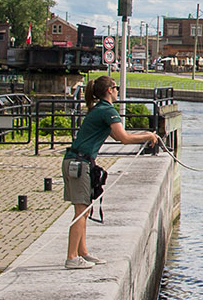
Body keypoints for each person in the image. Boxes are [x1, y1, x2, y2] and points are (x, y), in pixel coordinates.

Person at [64, 76, 160, 269]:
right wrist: (148, 136)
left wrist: (144, 137)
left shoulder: (99, 109)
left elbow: (116, 136)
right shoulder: (107, 110)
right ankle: (72, 257)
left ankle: (83, 252)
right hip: (79, 163)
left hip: (78, 161)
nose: (117, 91)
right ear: (109, 90)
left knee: (85, 209)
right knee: (80, 211)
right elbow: (124, 138)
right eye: (116, 88)